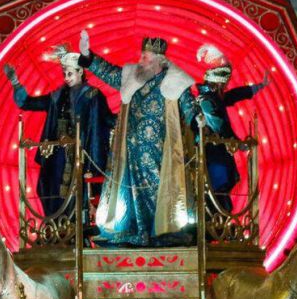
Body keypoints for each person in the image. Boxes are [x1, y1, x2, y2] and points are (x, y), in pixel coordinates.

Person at [78, 30, 198, 246]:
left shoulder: (176, 80)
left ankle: (159, 233)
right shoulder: (132, 75)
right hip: (130, 154)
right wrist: (88, 56)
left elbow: (189, 107)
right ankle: (136, 231)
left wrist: (198, 121)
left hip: (160, 156)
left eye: (146, 58)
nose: (140, 61)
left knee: (157, 196)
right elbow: (109, 72)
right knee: (130, 196)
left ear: (159, 62)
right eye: (141, 56)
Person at [4, 46, 114, 218]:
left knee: (80, 192)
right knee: (48, 186)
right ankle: (55, 229)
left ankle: (76, 231)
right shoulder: (56, 96)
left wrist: (129, 114)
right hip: (57, 153)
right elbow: (27, 103)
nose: (66, 78)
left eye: (70, 74)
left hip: (83, 153)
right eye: (64, 74)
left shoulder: (93, 96)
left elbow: (106, 120)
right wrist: (15, 83)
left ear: (80, 72)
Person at [192, 44, 268, 212]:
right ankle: (216, 224)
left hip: (217, 153)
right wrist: (237, 143)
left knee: (222, 188)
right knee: (216, 189)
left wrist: (257, 87)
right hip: (211, 155)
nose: (226, 88)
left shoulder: (213, 97)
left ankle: (222, 221)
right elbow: (219, 125)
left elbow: (233, 95)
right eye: (224, 85)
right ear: (218, 85)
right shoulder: (207, 101)